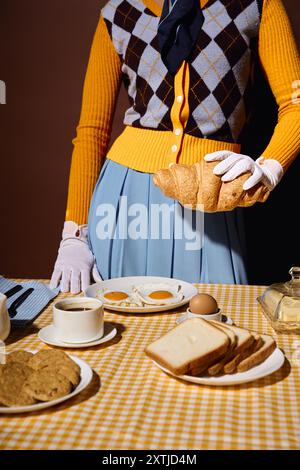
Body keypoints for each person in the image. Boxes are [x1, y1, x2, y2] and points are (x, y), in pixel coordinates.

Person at [50, 0, 300, 293]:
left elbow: (295, 105)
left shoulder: (256, 5)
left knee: (214, 318)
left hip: (212, 192)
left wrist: (269, 166)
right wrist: (74, 231)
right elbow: (91, 131)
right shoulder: (118, 11)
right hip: (126, 194)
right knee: (125, 320)